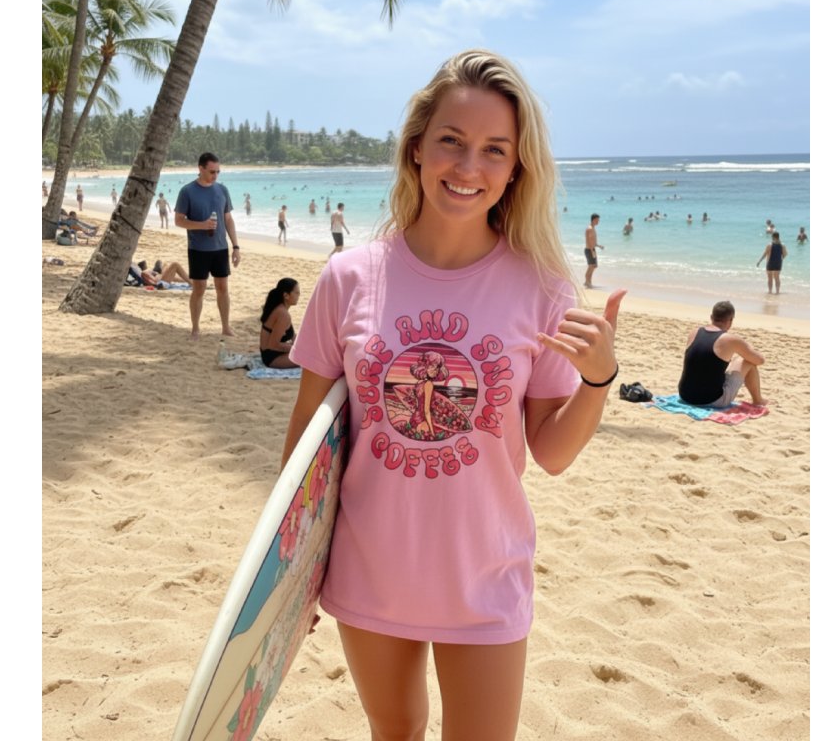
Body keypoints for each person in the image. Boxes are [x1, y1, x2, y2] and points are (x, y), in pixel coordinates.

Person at [282, 48, 625, 741]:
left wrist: (598, 379)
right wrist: (287, 579)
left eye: (495, 149)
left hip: (486, 575)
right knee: (395, 732)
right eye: (452, 141)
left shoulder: (543, 288)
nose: (469, 167)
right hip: (371, 568)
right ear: (417, 148)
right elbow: (306, 448)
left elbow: (553, 453)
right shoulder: (348, 278)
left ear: (517, 167)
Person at [174, 152, 241, 340]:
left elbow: (228, 219)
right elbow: (179, 220)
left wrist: (236, 247)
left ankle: (226, 327)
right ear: (201, 168)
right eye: (212, 171)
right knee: (199, 289)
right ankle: (195, 328)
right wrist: (202, 225)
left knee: (223, 288)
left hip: (220, 248)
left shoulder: (222, 190)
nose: (215, 175)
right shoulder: (187, 191)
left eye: (218, 172)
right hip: (198, 249)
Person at [678, 301, 766, 407]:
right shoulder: (730, 339)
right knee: (747, 361)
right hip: (712, 400)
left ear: (711, 317)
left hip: (685, 395)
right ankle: (758, 400)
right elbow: (760, 360)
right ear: (730, 320)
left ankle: (758, 400)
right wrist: (748, 347)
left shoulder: (694, 332)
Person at [259, 278, 301, 368]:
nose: (299, 295)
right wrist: (295, 350)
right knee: (310, 358)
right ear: (286, 295)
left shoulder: (280, 308)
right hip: (272, 357)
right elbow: (273, 345)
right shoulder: (283, 314)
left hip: (272, 352)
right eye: (296, 293)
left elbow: (292, 336)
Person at [583, 213, 604, 289]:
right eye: (597, 220)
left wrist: (598, 246)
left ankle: (589, 282)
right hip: (590, 250)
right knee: (591, 266)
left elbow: (593, 241)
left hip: (592, 249)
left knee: (593, 266)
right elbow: (589, 241)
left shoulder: (592, 228)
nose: (598, 222)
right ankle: (587, 282)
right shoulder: (590, 229)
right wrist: (592, 250)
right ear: (594, 220)